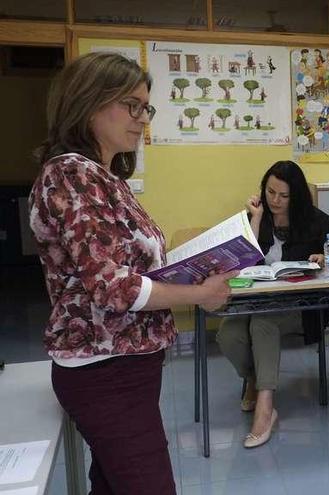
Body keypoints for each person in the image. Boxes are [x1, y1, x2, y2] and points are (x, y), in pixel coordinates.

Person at [29, 52, 235, 494]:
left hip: (127, 363)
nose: (142, 118)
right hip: (104, 370)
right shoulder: (70, 175)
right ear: (90, 102)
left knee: (113, 482)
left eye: (147, 107)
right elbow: (111, 287)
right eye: (132, 105)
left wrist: (192, 268)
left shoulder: (107, 179)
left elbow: (126, 268)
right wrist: (197, 294)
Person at [216, 160, 329, 448]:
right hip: (256, 302)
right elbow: (239, 260)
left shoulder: (316, 220)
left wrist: (322, 257)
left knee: (264, 324)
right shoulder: (258, 215)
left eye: (283, 195)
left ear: (297, 195)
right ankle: (254, 378)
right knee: (227, 335)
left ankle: (265, 409)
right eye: (270, 192)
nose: (275, 200)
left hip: (303, 305)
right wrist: (254, 217)